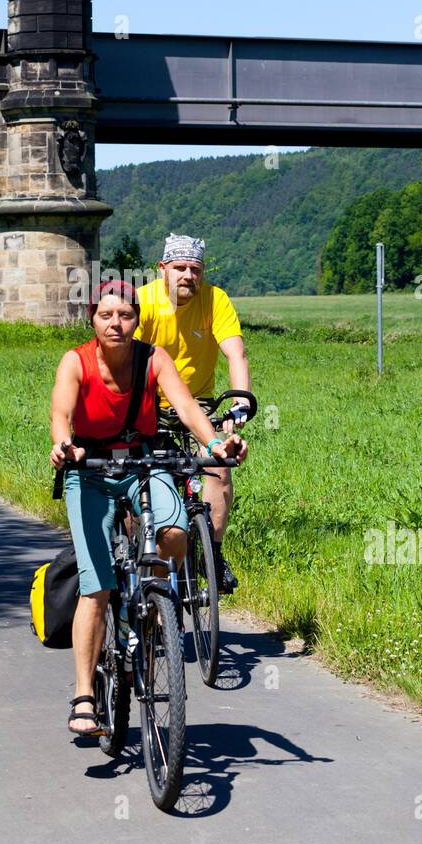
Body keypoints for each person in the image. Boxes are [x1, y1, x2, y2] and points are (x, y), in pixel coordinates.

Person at [49, 279, 248, 736]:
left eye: (125, 316)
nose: (116, 324)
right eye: (106, 316)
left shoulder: (153, 358)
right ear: (93, 319)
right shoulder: (75, 362)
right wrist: (64, 446)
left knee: (175, 530)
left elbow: (186, 408)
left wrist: (215, 443)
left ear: (137, 320)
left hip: (144, 460)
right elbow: (61, 415)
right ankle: (84, 696)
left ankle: (153, 603)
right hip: (91, 468)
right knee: (95, 588)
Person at [135, 234, 252, 594]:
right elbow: (129, 356)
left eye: (195, 269)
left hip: (197, 402)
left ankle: (212, 554)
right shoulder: (144, 301)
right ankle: (136, 554)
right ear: (162, 269)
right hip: (148, 400)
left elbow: (235, 354)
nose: (188, 275)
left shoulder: (215, 299)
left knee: (217, 464)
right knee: (137, 476)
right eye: (180, 268)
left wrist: (241, 403)